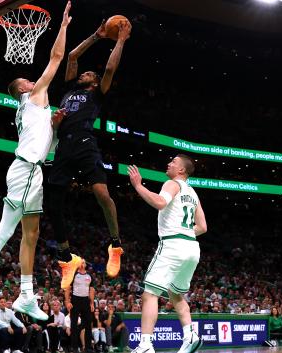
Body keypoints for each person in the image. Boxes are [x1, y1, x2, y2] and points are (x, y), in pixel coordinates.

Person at [0, 0, 72, 325]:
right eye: (27, 79)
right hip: (25, 171)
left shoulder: (36, 109)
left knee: (31, 234)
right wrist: (63, 26)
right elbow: (56, 57)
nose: (33, 80)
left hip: (33, 172)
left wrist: (56, 126)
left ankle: (26, 294)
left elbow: (47, 137)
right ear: (23, 89)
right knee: (7, 229)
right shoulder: (33, 98)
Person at [46, 16, 132, 288]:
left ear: (94, 83)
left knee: (101, 193)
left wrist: (119, 40)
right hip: (64, 145)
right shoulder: (70, 89)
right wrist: (96, 36)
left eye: (89, 74)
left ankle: (115, 244)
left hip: (84, 142)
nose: (84, 73)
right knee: (52, 203)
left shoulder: (97, 93)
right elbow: (72, 55)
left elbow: (109, 68)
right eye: (84, 73)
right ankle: (66, 256)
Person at [127, 155, 207, 353]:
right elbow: (203, 227)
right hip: (191, 248)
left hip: (173, 245)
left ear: (181, 171)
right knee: (176, 294)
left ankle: (145, 345)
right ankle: (190, 336)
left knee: (149, 294)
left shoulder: (172, 183)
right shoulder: (193, 193)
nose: (169, 163)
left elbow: (160, 202)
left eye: (173, 162)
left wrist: (138, 186)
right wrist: (185, 232)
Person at [64, 259, 94, 353]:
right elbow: (68, 289)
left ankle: (88, 347)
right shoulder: (73, 275)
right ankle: (74, 347)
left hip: (85, 300)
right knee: (73, 324)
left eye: (84, 262)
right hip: (75, 299)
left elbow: (91, 290)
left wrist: (92, 303)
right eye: (81, 262)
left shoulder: (89, 276)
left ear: (85, 265)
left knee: (88, 324)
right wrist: (67, 301)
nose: (82, 263)